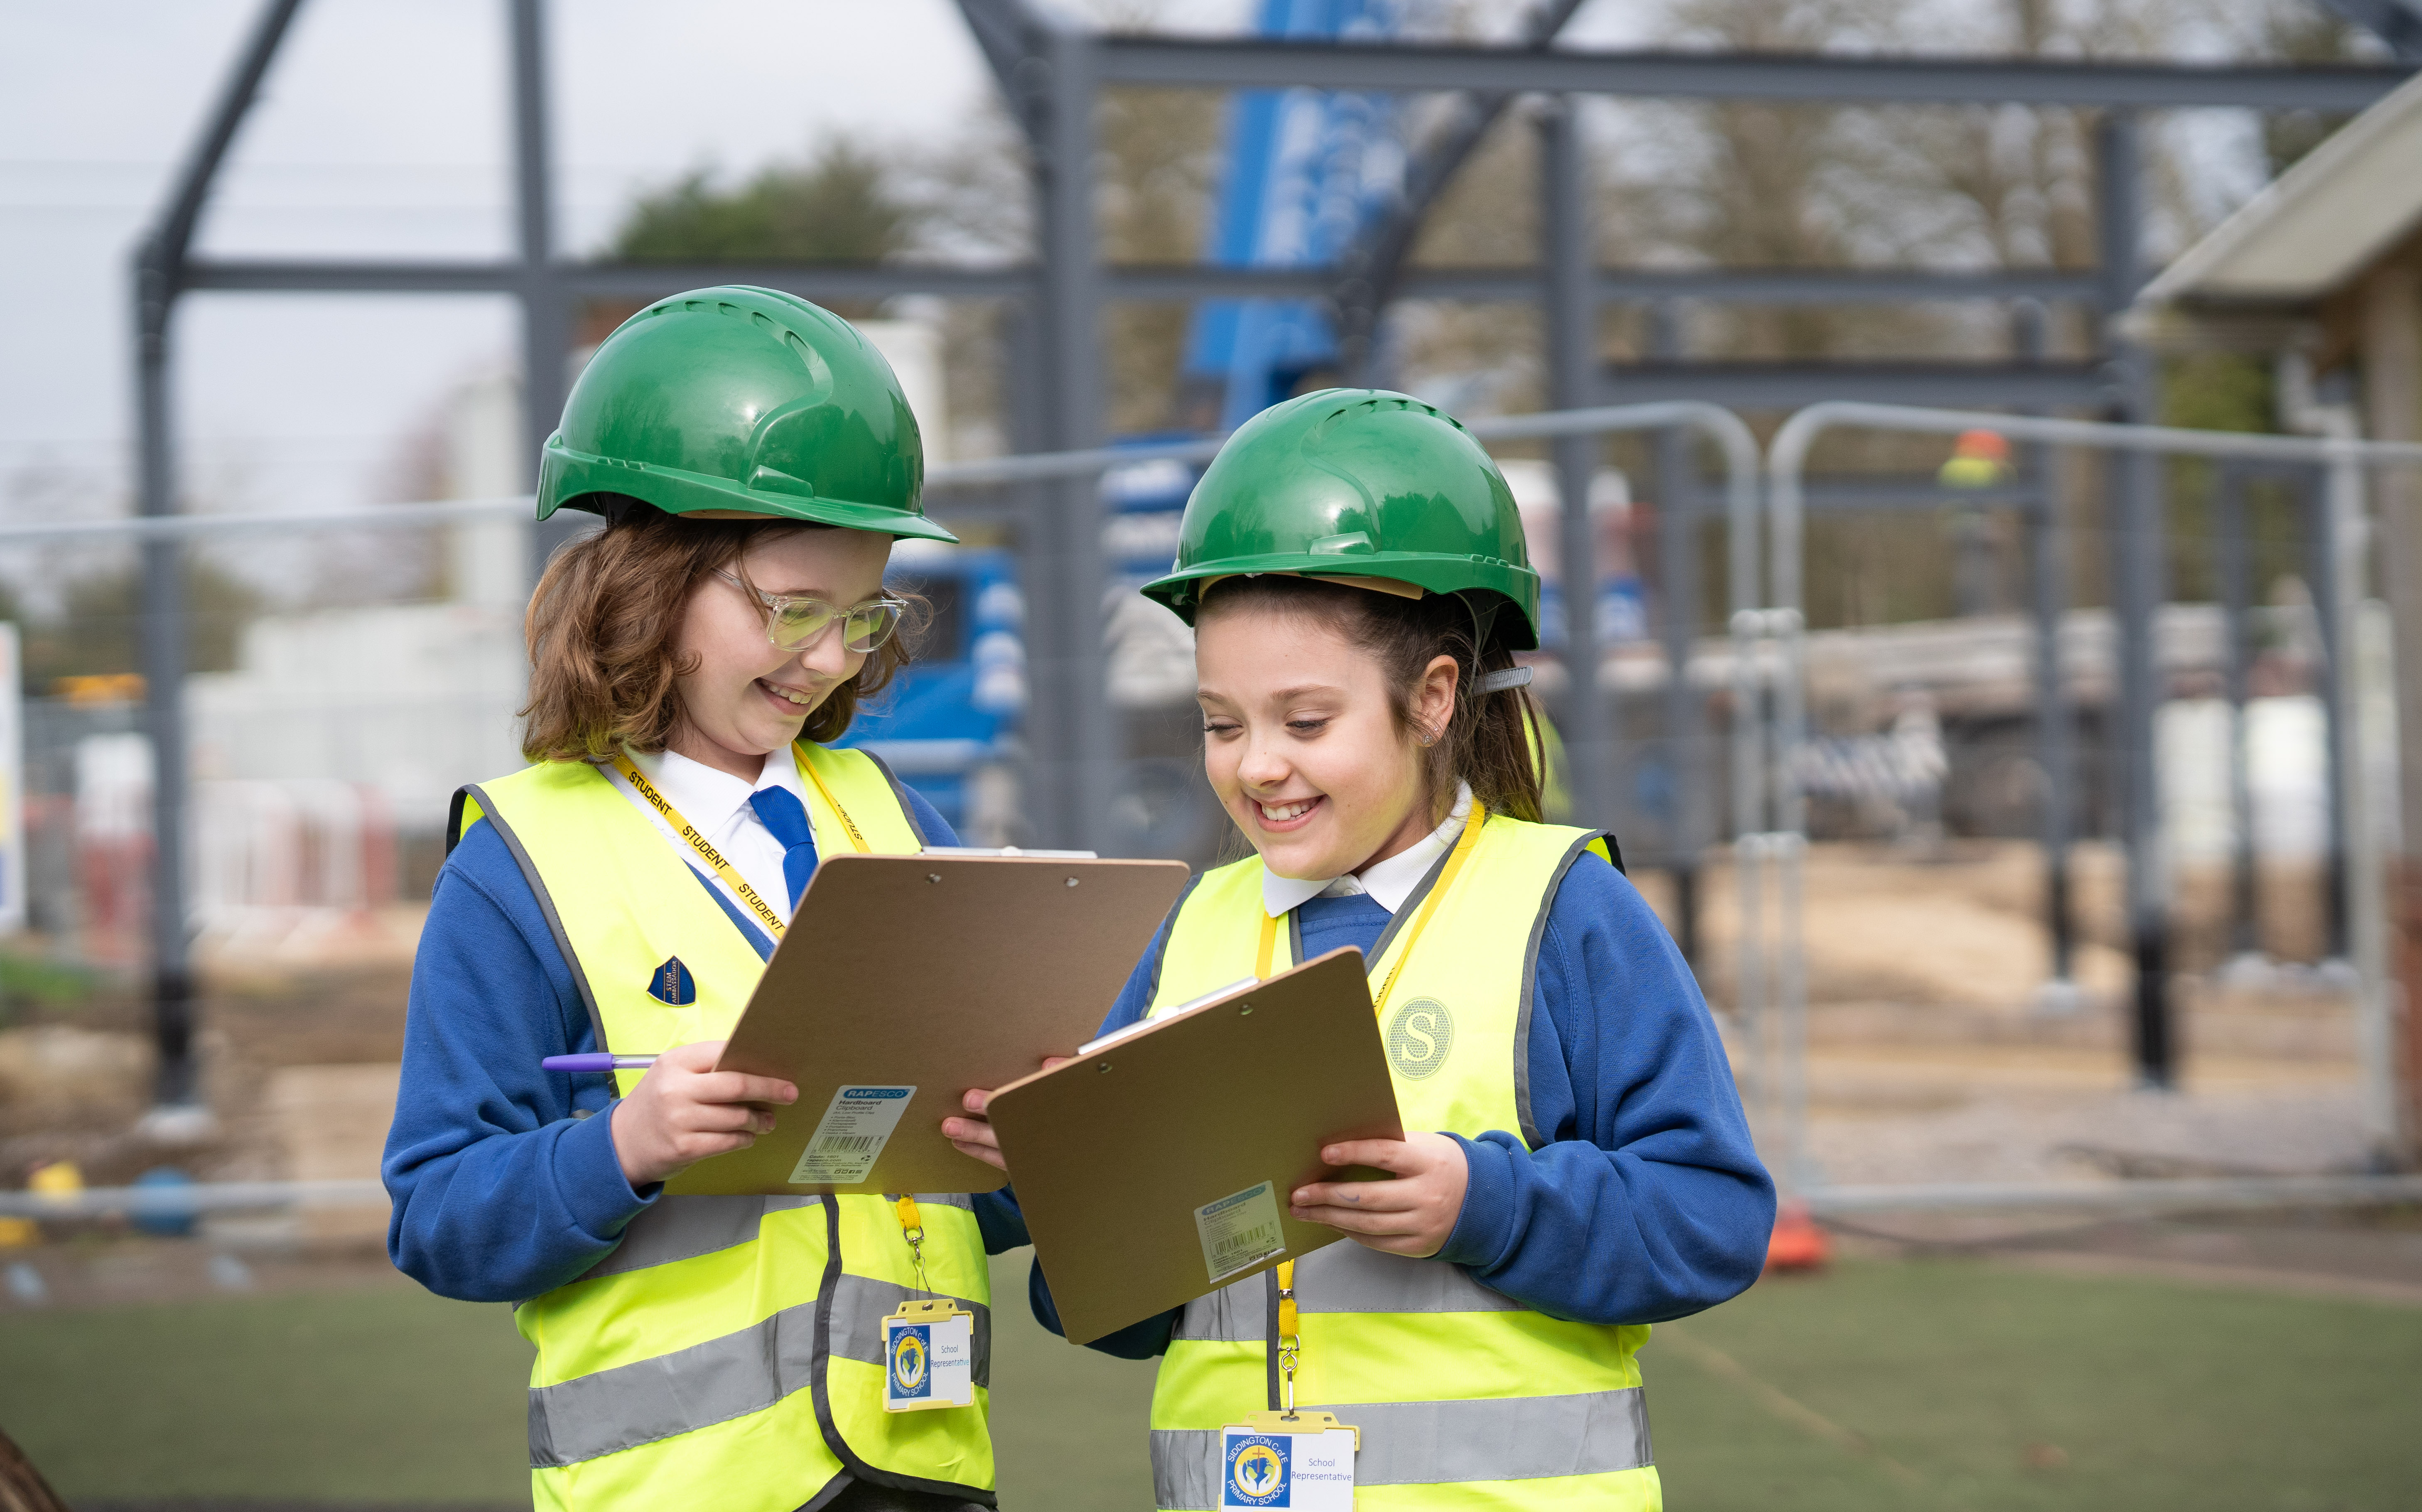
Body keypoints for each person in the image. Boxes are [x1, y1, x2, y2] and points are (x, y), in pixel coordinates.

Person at [951, 388, 1775, 1511]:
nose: (1256, 767)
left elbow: (1711, 1218)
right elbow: (1122, 1315)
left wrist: (1484, 1205)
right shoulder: (1188, 930)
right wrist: (1064, 1178)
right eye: (1221, 723)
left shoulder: (1569, 911)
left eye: (1304, 722)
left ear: (1432, 699)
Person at [385, 286, 1017, 1512]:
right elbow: (438, 1215)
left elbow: (959, 1187)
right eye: (790, 610)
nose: (832, 658)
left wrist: (1019, 1147)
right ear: (646, 584)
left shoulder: (890, 818)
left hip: (929, 1473)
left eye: (861, 614)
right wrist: (625, 1147)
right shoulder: (519, 861)